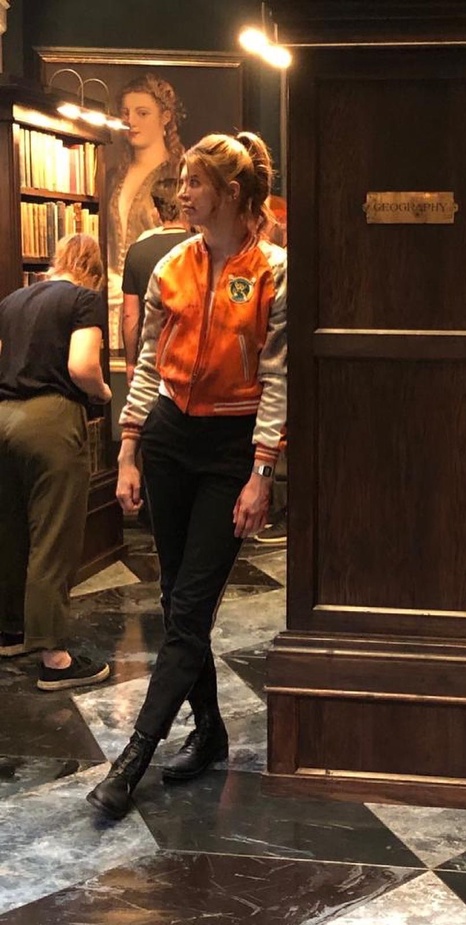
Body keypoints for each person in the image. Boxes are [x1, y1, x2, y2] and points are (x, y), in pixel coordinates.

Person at [87, 131, 287, 820]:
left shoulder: (274, 272)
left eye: (195, 183)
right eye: (181, 182)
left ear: (230, 193)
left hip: (231, 448)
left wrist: (262, 472)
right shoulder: (173, 264)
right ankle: (209, 732)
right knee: (177, 601)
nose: (182, 193)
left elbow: (278, 378)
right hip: (170, 439)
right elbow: (146, 362)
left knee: (192, 604)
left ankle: (133, 758)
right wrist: (128, 448)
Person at [0, 234, 112, 691]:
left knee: (10, 532)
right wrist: (103, 392)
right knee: (53, 538)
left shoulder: (12, 301)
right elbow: (82, 366)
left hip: (3, 416)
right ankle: (55, 658)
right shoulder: (84, 300)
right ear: (92, 270)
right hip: (50, 422)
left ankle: (11, 633)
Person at [107, 74, 185, 349]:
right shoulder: (112, 176)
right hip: (112, 302)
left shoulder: (180, 173)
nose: (131, 121)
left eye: (142, 113)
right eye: (125, 113)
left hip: (159, 302)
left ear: (165, 117)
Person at [121, 177, 192, 386]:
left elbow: (130, 314)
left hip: (151, 357)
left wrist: (130, 362)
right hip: (190, 354)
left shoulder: (136, 251)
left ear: (156, 211)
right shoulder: (199, 247)